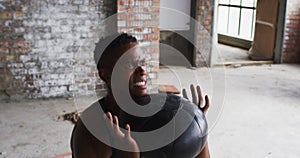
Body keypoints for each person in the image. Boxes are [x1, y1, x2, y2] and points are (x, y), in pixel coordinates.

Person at [70, 33, 210, 158]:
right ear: (105, 74)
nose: (142, 71)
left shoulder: (159, 113)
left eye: (142, 62)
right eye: (128, 65)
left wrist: (196, 127)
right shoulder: (92, 130)